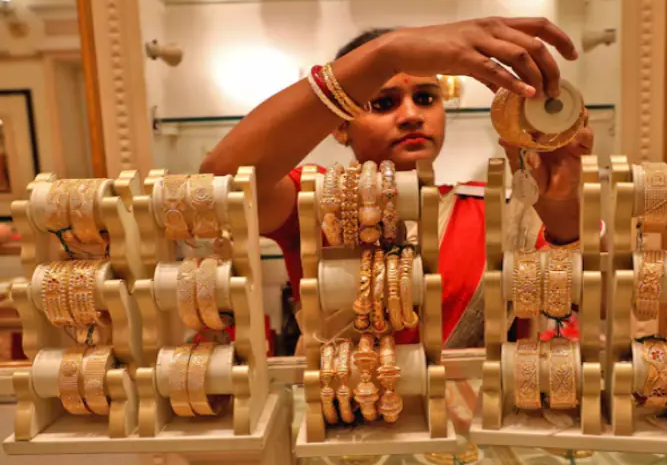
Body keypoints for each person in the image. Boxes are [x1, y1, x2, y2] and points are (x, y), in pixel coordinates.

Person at [201, 18, 594, 350]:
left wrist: (562, 210)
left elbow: (599, 303)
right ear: (340, 125)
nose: (410, 115)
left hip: (469, 428)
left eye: (425, 98)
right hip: (343, 429)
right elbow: (218, 187)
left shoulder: (493, 209)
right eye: (383, 103)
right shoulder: (318, 203)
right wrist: (388, 52)